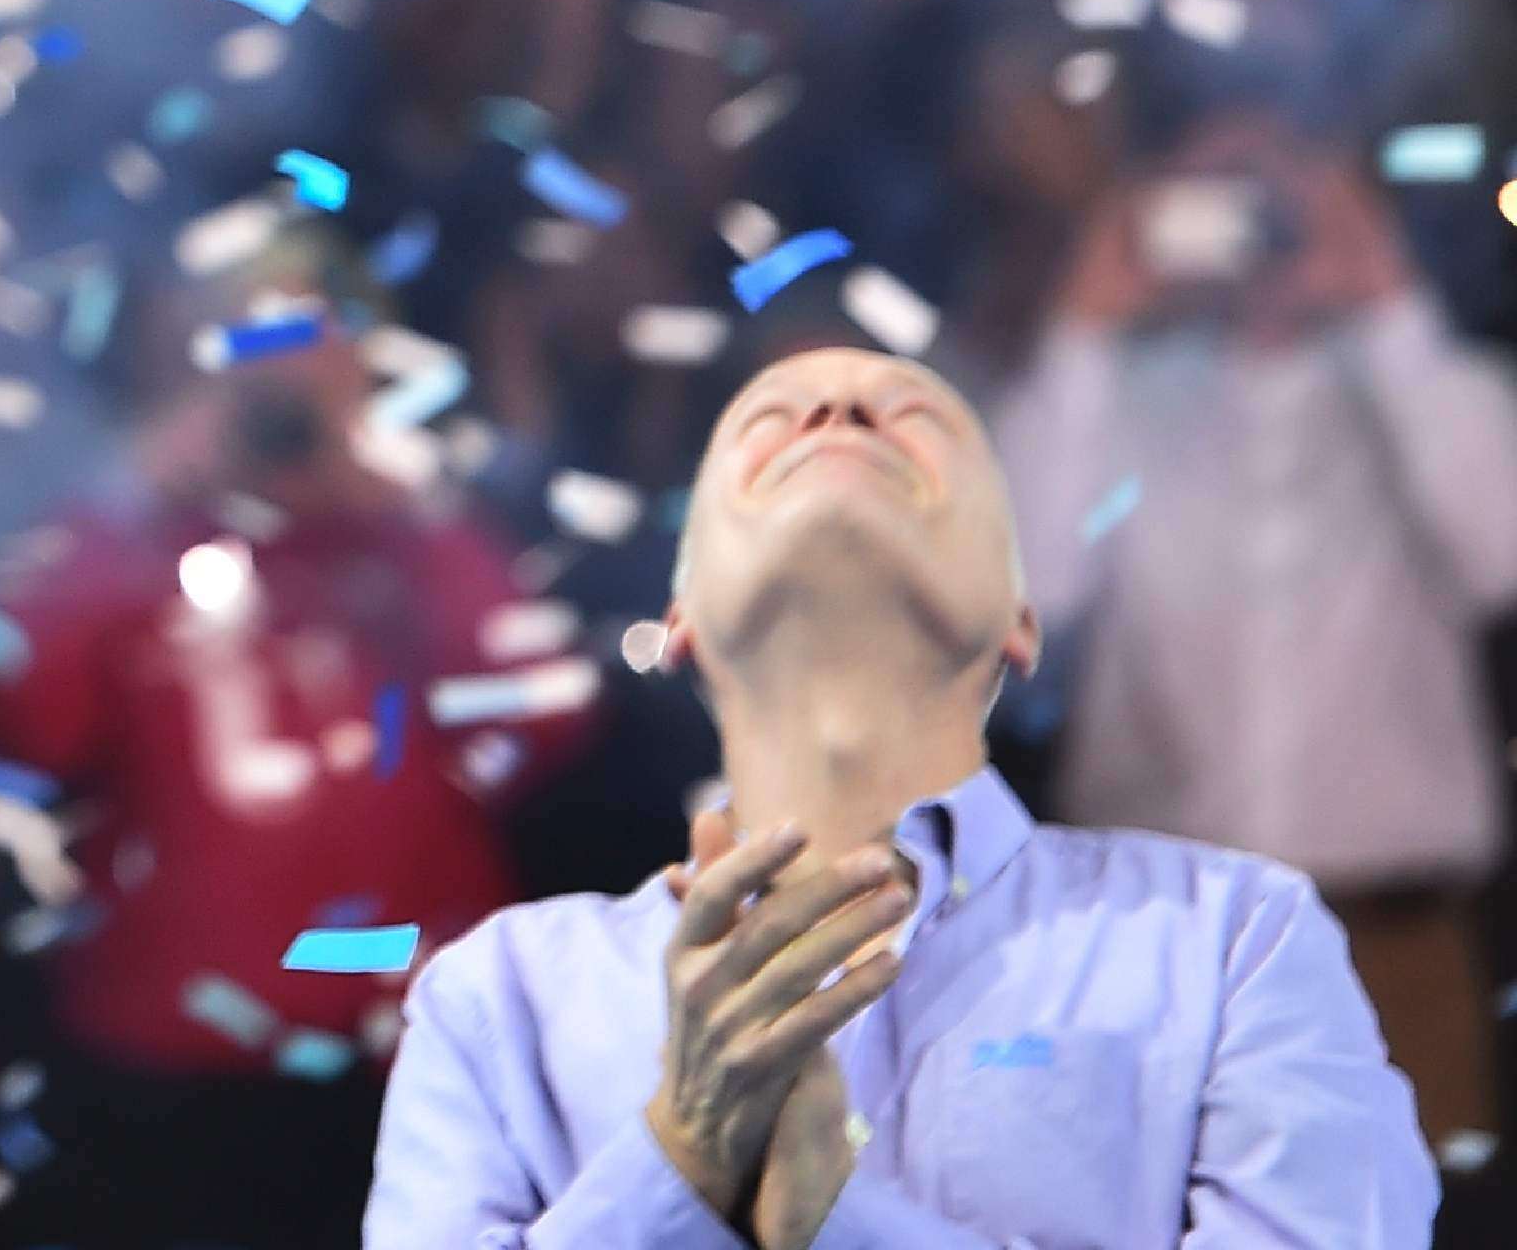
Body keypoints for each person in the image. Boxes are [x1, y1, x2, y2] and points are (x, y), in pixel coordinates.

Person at [363, 341, 1435, 1248]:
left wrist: (839, 1217)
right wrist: (682, 1155)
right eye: (770, 422)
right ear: (678, 621)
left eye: (908, 417)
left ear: (1020, 620)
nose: (834, 410)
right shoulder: (496, 1003)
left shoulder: (1232, 940)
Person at [0, 222, 595, 1243]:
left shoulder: (408, 542)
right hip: (172, 1074)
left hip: (406, 1054)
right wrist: (128, 493)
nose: (281, 375)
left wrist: (408, 504)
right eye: (250, 334)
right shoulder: (140, 544)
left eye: (313, 334)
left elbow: (548, 713)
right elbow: (18, 727)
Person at [989, 100, 1517, 1188]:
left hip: (1392, 949)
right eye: (1224, 196)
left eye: (1283, 193)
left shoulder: (1430, 387)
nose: (1261, 227)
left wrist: (1384, 298)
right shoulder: (1116, 400)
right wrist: (1089, 315)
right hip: (1156, 963)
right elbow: (1020, 589)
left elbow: (1503, 552)